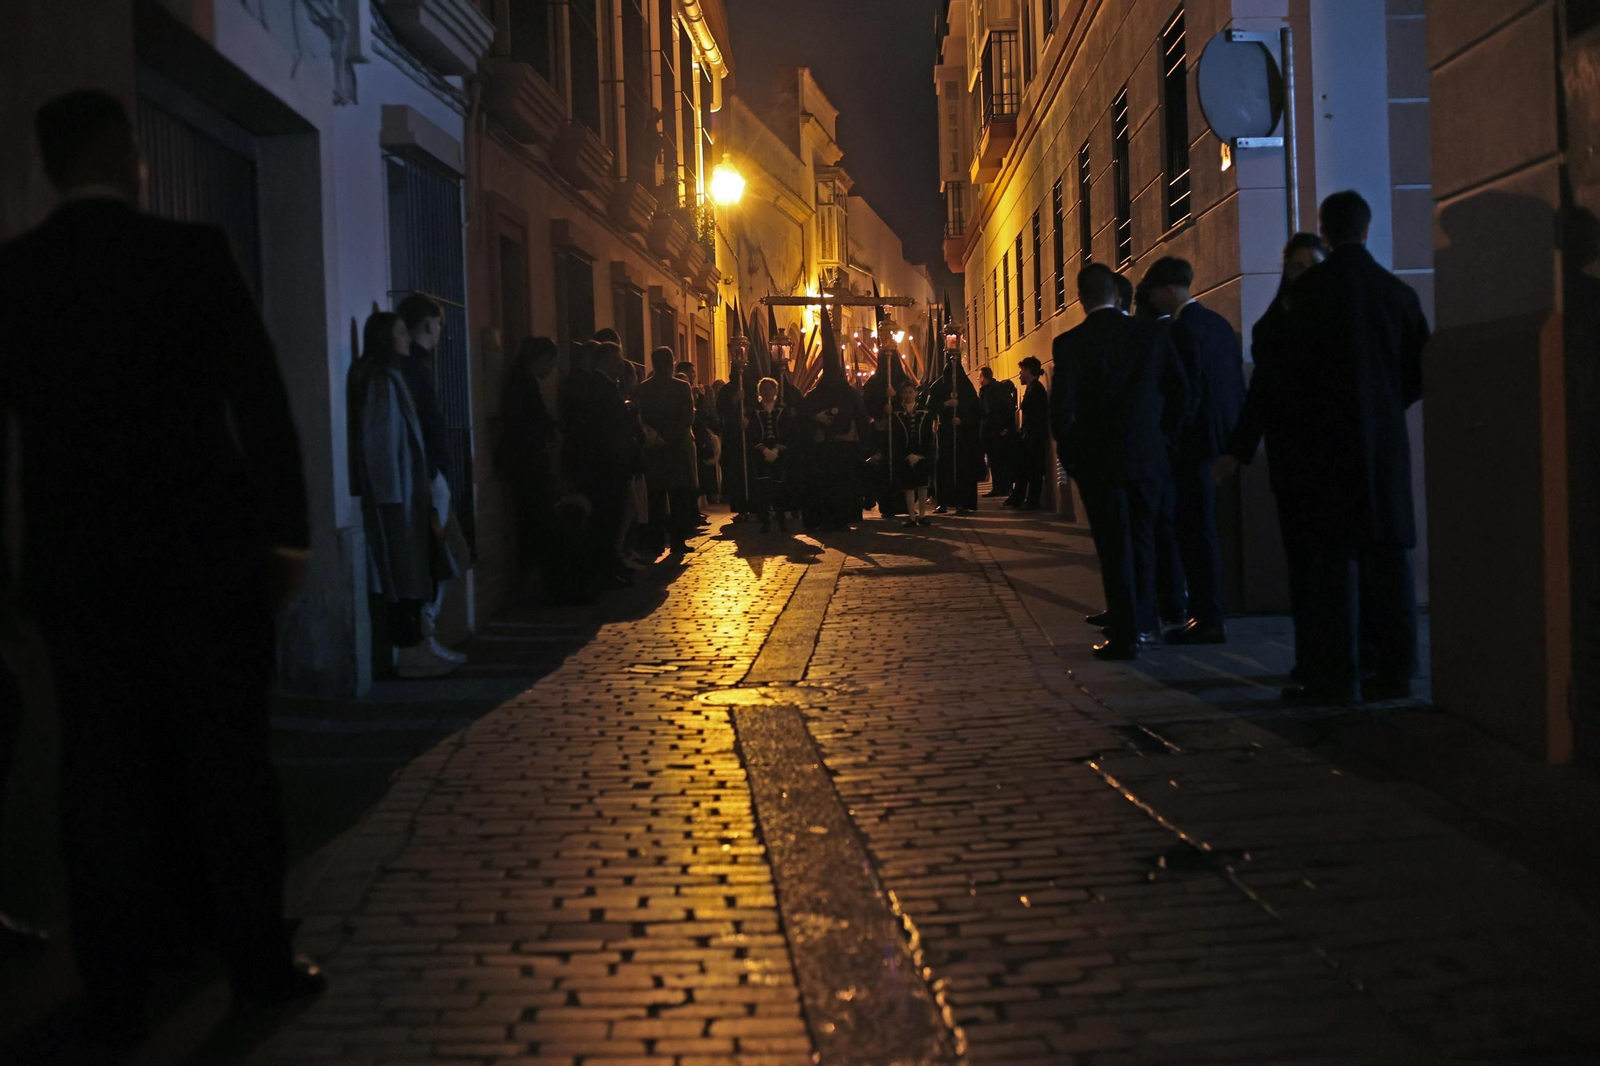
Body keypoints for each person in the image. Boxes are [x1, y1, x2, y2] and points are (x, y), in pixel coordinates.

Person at [0, 90, 324, 1044]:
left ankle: (114, 987)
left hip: (80, 576)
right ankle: (253, 961)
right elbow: (260, 405)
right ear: (127, 153)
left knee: (100, 777)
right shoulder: (190, 258)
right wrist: (288, 540)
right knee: (227, 766)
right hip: (203, 565)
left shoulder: (16, 277)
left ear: (55, 165)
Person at [1281, 191, 1429, 704]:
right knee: (1391, 559)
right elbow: (1417, 373)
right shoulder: (1396, 294)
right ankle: (1395, 670)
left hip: (1325, 447)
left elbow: (1293, 373)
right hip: (1384, 445)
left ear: (1325, 232)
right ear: (1366, 230)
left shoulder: (1309, 294)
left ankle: (1335, 675)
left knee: (1330, 565)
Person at [1053, 264, 1190, 659]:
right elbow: (1181, 391)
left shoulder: (1070, 343)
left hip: (1099, 464)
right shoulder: (1150, 333)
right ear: (1116, 294)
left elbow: (1062, 413)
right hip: (1148, 456)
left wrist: (1075, 458)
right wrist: (1165, 439)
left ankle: (1126, 633)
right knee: (1145, 539)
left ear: (1081, 299)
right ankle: (1148, 621)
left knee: (1113, 546)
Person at [1214, 234, 1326, 680]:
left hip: (1334, 460)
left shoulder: (1337, 316)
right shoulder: (1275, 324)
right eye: (1297, 267)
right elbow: (1261, 394)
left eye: (1312, 266)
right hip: (1294, 459)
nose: (1304, 275)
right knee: (1303, 562)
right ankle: (1314, 657)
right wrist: (1237, 451)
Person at [1142, 256, 1245, 644]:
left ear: (1168, 290)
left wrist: (1172, 436)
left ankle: (1207, 615)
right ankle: (1211, 610)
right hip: (1222, 440)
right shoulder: (1218, 324)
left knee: (1195, 531)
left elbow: (1187, 392)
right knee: (1208, 530)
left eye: (1154, 294)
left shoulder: (1180, 331)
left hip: (1194, 446)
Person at [352, 313, 460, 679]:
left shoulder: (389, 375)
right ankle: (411, 649)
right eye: (400, 331)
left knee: (418, 567)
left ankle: (418, 643)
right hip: (397, 495)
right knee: (405, 573)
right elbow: (380, 443)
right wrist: (393, 493)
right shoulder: (382, 379)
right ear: (386, 338)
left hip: (406, 490)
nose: (406, 338)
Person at [395, 293, 469, 666]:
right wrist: (435, 471)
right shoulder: (413, 369)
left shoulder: (412, 367)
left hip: (427, 475)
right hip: (427, 478)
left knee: (448, 555)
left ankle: (426, 635)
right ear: (427, 324)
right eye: (439, 324)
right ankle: (422, 637)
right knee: (444, 556)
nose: (441, 331)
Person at [494, 336, 576, 603]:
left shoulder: (519, 381)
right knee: (536, 525)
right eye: (551, 363)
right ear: (540, 359)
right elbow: (529, 423)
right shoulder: (524, 383)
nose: (552, 370)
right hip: (528, 465)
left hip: (524, 464)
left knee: (532, 525)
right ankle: (536, 585)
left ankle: (533, 583)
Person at [561, 340, 633, 589]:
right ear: (605, 360)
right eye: (617, 359)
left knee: (608, 518)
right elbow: (609, 427)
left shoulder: (602, 385)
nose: (621, 364)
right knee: (607, 518)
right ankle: (605, 569)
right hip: (607, 464)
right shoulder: (603, 387)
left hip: (601, 462)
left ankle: (606, 567)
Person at [801, 321, 867, 531]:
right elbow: (802, 417)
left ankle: (843, 518)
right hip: (822, 451)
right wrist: (816, 418)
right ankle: (824, 519)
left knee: (844, 486)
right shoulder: (814, 395)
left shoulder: (850, 394)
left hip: (844, 449)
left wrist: (860, 441)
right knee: (824, 486)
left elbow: (861, 417)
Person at [635, 347, 701, 556]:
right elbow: (687, 419)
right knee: (678, 497)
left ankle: (656, 541)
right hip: (676, 449)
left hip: (654, 449)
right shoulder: (682, 387)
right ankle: (678, 541)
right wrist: (669, 437)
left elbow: (641, 419)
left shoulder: (643, 388)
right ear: (672, 362)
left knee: (656, 498)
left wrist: (655, 437)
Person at [928, 351, 983, 513]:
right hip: (945, 433)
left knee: (962, 469)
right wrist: (946, 404)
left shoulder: (966, 387)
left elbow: (978, 411)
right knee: (944, 468)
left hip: (963, 436)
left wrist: (962, 418)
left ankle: (962, 502)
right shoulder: (938, 386)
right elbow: (929, 407)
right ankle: (943, 501)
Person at [747, 377, 798, 533]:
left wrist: (776, 449)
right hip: (760, 452)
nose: (767, 392)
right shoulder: (752, 411)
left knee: (779, 487)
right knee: (763, 487)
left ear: (776, 391)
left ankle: (781, 518)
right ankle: (765, 520)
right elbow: (752, 432)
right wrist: (763, 449)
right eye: (764, 389)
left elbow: (788, 430)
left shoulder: (784, 409)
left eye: (770, 389)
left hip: (779, 452)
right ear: (759, 392)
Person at [891, 381, 936, 527]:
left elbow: (928, 435)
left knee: (922, 484)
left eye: (911, 392)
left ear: (916, 393)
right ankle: (911, 516)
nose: (908, 395)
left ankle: (922, 515)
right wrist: (906, 454)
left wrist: (920, 454)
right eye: (905, 392)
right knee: (908, 486)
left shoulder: (924, 413)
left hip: (921, 453)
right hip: (904, 454)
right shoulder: (896, 413)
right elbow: (896, 437)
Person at [1007, 356, 1050, 510]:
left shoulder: (1036, 389)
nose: (1019, 374)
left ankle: (1032, 500)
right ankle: (1023, 499)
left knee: (1033, 469)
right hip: (1030, 435)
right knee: (1026, 468)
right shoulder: (1033, 388)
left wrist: (1027, 433)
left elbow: (1036, 416)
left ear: (1028, 370)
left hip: (1033, 436)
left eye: (1021, 371)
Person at [716, 355, 752, 520]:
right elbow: (721, 411)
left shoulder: (751, 387)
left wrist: (748, 418)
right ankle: (739, 506)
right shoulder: (727, 389)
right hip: (733, 436)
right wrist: (734, 401)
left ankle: (753, 505)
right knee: (735, 471)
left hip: (749, 436)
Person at [978, 366, 1019, 498]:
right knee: (1001, 460)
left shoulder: (989, 391)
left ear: (984, 377)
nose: (979, 379)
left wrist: (989, 429)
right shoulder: (999, 388)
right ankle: (1004, 487)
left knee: (995, 461)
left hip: (993, 431)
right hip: (1001, 431)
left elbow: (990, 412)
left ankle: (998, 488)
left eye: (980, 377)